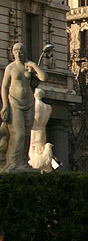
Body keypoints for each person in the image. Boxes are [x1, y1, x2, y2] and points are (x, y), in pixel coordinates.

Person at [2, 43, 47, 172]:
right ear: (12, 53)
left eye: (21, 51)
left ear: (24, 53)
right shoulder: (10, 68)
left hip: (29, 103)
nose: (18, 53)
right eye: (16, 51)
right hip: (14, 103)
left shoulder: (28, 68)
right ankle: (13, 163)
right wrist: (5, 105)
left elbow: (43, 77)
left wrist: (33, 66)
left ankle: (23, 162)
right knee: (19, 134)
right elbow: (4, 87)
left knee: (27, 135)